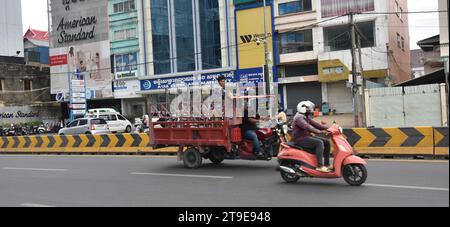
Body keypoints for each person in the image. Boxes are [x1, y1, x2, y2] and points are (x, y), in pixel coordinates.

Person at [292, 101, 332, 173]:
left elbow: (316, 124)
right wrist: (318, 132)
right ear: (302, 109)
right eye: (308, 109)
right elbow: (308, 127)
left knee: (327, 142)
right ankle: (319, 166)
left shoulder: (305, 116)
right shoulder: (299, 118)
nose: (310, 110)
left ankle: (327, 164)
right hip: (300, 139)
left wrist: (329, 128)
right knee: (319, 143)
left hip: (306, 136)